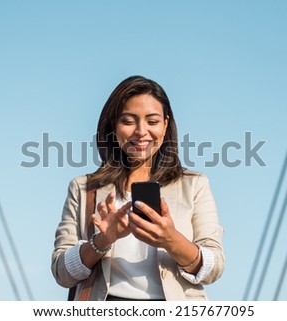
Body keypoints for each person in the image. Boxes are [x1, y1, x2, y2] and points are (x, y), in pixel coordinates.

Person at [51, 75, 225, 300]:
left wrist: (171, 239)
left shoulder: (194, 184)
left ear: (165, 125)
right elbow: (61, 273)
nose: (141, 131)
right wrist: (101, 241)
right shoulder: (84, 188)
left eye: (152, 121)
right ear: (113, 126)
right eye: (129, 121)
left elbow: (214, 268)